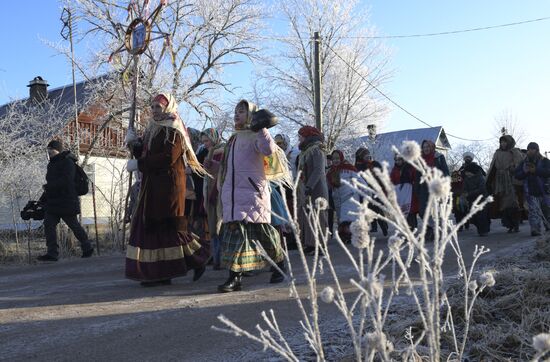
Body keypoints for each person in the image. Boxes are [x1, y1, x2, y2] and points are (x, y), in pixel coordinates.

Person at [125, 93, 209, 286]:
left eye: (158, 107)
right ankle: (161, 273)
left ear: (168, 107)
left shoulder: (174, 129)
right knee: (154, 229)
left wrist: (139, 164)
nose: (154, 110)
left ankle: (199, 259)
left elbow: (167, 158)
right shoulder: (153, 128)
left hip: (169, 186)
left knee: (171, 228)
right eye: (152, 106)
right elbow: (147, 152)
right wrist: (135, 144)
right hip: (152, 185)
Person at [218, 100, 290, 292]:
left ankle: (280, 264)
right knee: (236, 236)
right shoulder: (233, 139)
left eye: (241, 111)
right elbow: (228, 167)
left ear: (251, 115)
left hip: (252, 194)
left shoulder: (256, 136)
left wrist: (262, 128)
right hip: (233, 196)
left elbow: (268, 150)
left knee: (264, 236)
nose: (236, 114)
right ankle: (235, 278)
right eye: (235, 111)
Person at [37, 140, 94, 261]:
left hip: (67, 200)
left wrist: (49, 187)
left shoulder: (68, 162)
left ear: (57, 150)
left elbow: (67, 181)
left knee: (73, 225)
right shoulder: (51, 164)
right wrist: (44, 196)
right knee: (48, 224)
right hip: (53, 201)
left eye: (51, 150)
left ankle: (87, 247)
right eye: (48, 150)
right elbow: (50, 183)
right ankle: (52, 253)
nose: (49, 153)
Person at [296, 125, 329, 255]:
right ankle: (310, 244)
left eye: (301, 136)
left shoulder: (317, 150)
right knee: (308, 216)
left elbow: (318, 170)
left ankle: (320, 244)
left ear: (308, 136)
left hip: (317, 189)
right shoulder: (305, 151)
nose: (299, 139)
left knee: (318, 216)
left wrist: (309, 186)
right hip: (307, 189)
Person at [486, 135, 524, 233]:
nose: (503, 144)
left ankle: (515, 224)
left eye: (505, 142)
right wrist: (488, 181)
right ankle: (508, 224)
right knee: (502, 202)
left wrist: (513, 168)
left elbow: (519, 164)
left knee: (512, 201)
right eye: (501, 142)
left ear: (509, 142)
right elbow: (492, 167)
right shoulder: (497, 153)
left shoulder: (514, 151)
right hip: (500, 180)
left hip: (511, 179)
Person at [201, 128, 225, 269]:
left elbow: (223, 170)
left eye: (207, 140)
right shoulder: (210, 152)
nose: (205, 144)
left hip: (219, 192)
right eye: (203, 141)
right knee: (213, 227)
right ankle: (216, 258)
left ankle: (221, 258)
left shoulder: (222, 150)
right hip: (210, 191)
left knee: (221, 226)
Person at [515, 142, 550, 236]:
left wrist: (536, 171)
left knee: (546, 210)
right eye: (529, 149)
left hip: (544, 190)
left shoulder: (545, 161)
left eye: (532, 149)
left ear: (537, 150)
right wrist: (525, 172)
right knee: (533, 211)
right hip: (531, 191)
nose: (530, 151)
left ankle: (548, 226)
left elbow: (548, 172)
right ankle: (535, 229)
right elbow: (517, 175)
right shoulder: (523, 162)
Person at [418, 140, 450, 241]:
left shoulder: (439, 157)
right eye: (424, 147)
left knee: (437, 211)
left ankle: (435, 231)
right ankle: (433, 228)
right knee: (423, 211)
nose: (426, 148)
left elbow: (445, 172)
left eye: (428, 146)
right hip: (423, 188)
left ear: (432, 147)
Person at [326, 150, 361, 243]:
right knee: (340, 218)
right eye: (334, 159)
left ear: (341, 158)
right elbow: (328, 185)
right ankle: (344, 236)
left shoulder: (349, 168)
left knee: (347, 217)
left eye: (337, 158)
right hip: (337, 198)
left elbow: (359, 180)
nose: (336, 160)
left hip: (349, 196)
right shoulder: (331, 172)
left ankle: (350, 236)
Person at [390, 155, 419, 230]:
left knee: (410, 211)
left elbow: (415, 178)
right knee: (403, 212)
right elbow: (392, 181)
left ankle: (411, 229)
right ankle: (408, 229)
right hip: (400, 193)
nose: (398, 162)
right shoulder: (394, 170)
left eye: (399, 160)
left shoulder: (410, 168)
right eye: (396, 160)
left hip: (410, 192)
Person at [462, 163, 491, 236]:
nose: (467, 174)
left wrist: (469, 193)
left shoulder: (480, 178)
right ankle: (480, 229)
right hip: (472, 200)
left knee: (482, 215)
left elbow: (482, 189)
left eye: (468, 172)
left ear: (473, 171)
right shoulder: (466, 179)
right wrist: (465, 193)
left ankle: (484, 230)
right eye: (466, 172)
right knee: (474, 216)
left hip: (482, 199)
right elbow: (464, 188)